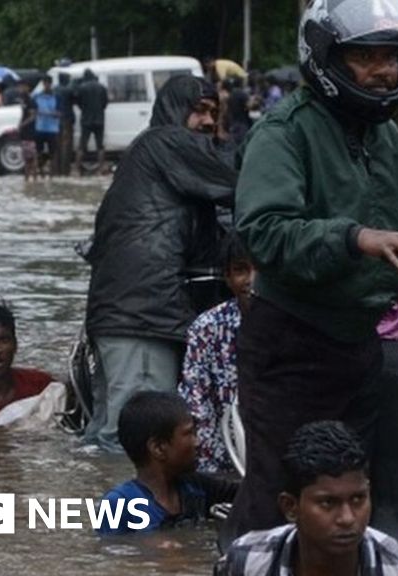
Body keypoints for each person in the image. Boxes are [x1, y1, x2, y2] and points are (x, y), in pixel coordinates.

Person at [224, 0, 398, 544]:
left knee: (350, 499)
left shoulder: (384, 136)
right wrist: (353, 237)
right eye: (366, 56)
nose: (385, 70)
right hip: (293, 346)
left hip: (360, 345)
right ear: (325, 58)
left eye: (393, 57)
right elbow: (265, 231)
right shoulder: (285, 132)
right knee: (283, 502)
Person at [83, 75, 237, 450]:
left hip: (131, 316)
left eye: (213, 113)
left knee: (111, 437)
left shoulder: (154, 156)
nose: (207, 122)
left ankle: (96, 502)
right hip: (142, 318)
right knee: (140, 443)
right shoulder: (164, 143)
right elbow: (240, 178)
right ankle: (128, 510)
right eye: (198, 111)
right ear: (173, 110)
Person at [216, 420, 398, 576]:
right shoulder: (246, 562)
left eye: (358, 499)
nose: (347, 518)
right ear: (291, 507)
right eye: (328, 503)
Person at [97, 390, 238, 536]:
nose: (197, 442)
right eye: (189, 434)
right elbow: (110, 551)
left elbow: (248, 493)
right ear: (158, 448)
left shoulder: (197, 487)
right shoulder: (117, 504)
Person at [177, 233, 254, 473]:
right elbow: (198, 405)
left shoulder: (297, 324)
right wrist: (213, 473)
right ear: (227, 277)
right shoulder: (207, 327)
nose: (252, 280)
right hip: (226, 458)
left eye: (262, 270)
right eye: (241, 270)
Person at [73, 69, 108, 176]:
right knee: (100, 146)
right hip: (99, 120)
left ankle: (77, 170)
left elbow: (78, 102)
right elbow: (105, 103)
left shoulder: (82, 88)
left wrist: (84, 109)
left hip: (86, 120)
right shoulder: (102, 87)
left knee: (82, 145)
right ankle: (100, 169)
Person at [33, 76, 60, 179]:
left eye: (48, 83)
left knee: (52, 154)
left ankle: (51, 175)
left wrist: (52, 113)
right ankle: (40, 173)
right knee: (38, 152)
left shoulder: (56, 97)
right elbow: (33, 111)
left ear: (50, 84)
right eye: (44, 83)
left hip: (52, 129)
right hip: (39, 128)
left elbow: (60, 112)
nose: (46, 85)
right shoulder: (36, 96)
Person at [18, 87, 38, 182]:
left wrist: (22, 124)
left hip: (30, 133)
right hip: (24, 133)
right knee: (26, 158)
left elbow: (33, 116)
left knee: (32, 157)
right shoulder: (23, 103)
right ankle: (27, 179)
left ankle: (33, 179)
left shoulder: (31, 102)